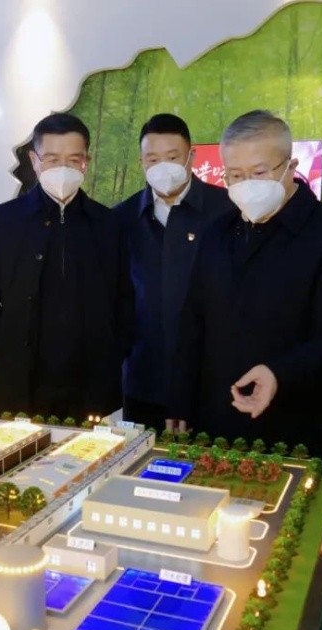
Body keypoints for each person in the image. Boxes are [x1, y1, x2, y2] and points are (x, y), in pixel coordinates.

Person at [167, 110, 322, 458]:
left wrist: (279, 374)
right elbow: (192, 321)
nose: (247, 184)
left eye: (259, 172)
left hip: (293, 423)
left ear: (290, 166)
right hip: (213, 418)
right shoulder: (216, 233)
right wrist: (180, 399)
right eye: (235, 175)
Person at [0, 113, 133, 419]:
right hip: (20, 378)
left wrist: (113, 353)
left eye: (73, 160)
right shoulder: (3, 220)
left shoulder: (108, 224)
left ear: (86, 162)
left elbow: (126, 298)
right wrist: (0, 352)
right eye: (52, 159)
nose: (63, 168)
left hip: (90, 382)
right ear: (34, 161)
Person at [113, 114, 234, 431]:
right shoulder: (121, 219)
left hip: (213, 383)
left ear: (191, 157)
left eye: (172, 157)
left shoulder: (228, 210)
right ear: (141, 162)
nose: (162, 167)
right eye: (152, 159)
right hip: (143, 381)